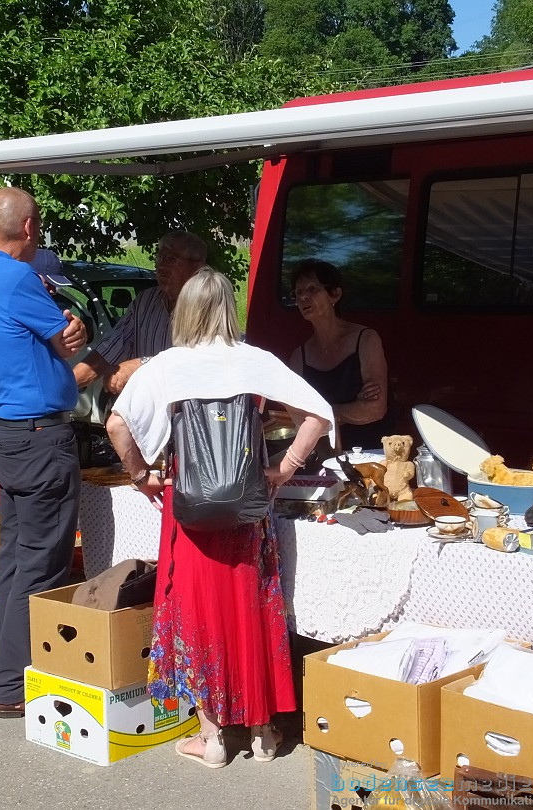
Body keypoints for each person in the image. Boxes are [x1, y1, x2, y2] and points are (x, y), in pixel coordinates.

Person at [105, 268, 333, 768]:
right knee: (251, 608)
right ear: (229, 310)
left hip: (191, 510)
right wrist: (282, 469)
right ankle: (264, 733)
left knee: (201, 612)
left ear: (185, 312)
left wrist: (142, 475)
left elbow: (117, 423)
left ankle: (212, 739)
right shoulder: (255, 361)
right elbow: (317, 414)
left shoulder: (167, 366)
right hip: (248, 510)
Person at [0, 187, 87, 719]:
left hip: (5, 434)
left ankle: (6, 668)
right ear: (30, 229)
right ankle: (13, 683)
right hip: (37, 438)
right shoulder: (19, 279)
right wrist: (71, 332)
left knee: (14, 557)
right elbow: (69, 342)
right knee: (39, 563)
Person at [72, 231, 207, 394]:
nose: (161, 266)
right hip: (148, 408)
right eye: (160, 258)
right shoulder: (146, 302)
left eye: (171, 259)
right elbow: (110, 349)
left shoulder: (209, 306)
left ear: (197, 266)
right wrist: (65, 385)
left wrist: (141, 364)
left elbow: (205, 361)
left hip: (189, 410)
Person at [288, 258, 392, 452]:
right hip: (324, 458)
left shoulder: (366, 339)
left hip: (371, 455)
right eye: (298, 292)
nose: (303, 297)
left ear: (335, 294)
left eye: (312, 289)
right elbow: (298, 418)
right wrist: (351, 409)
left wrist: (322, 413)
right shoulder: (298, 357)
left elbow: (376, 409)